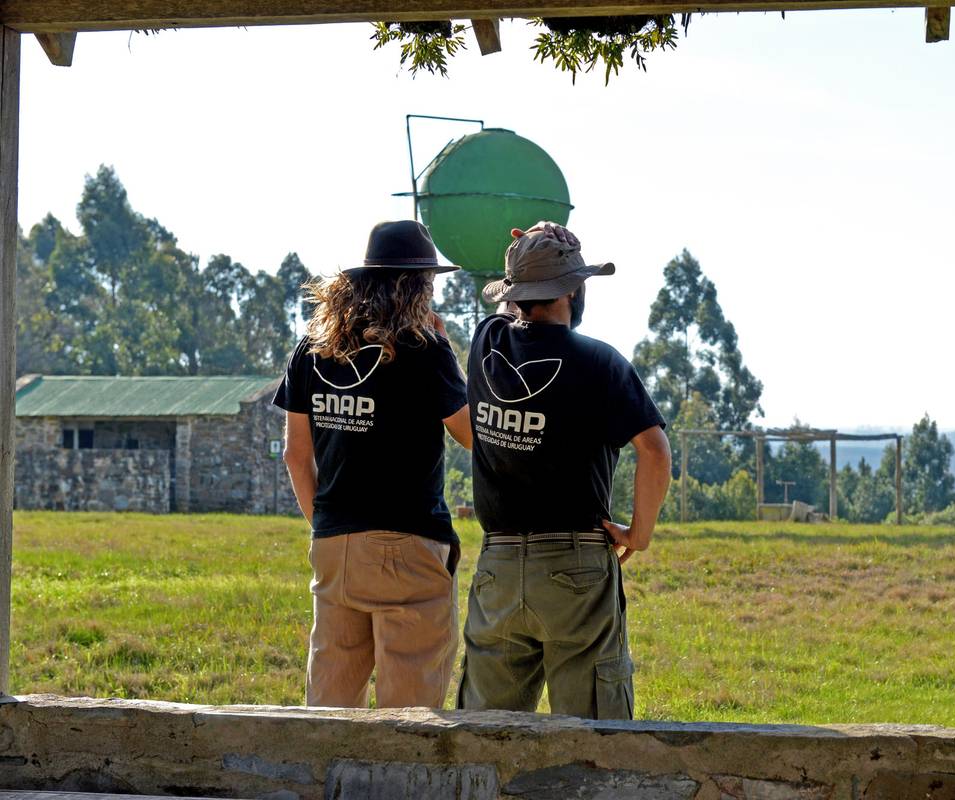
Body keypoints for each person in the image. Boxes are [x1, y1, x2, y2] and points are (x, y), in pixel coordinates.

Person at [456, 222, 672, 720]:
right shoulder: (600, 363)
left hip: (499, 567)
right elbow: (655, 450)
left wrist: (526, 253)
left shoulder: (486, 346)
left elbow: (506, 308)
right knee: (593, 736)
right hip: (576, 564)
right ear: (574, 290)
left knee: (485, 735)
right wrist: (638, 535)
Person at [275, 220, 472, 709]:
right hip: (406, 544)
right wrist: (449, 352)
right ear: (417, 284)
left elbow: (295, 456)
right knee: (409, 716)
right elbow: (471, 434)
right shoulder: (424, 348)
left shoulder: (312, 348)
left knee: (330, 707)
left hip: (333, 543)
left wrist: (326, 523)